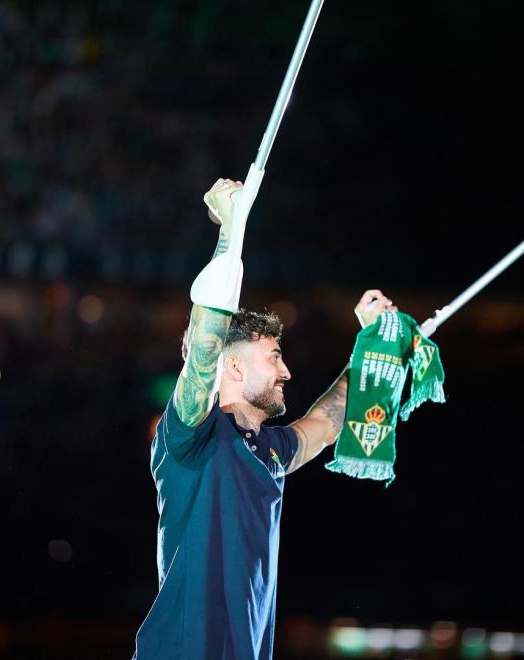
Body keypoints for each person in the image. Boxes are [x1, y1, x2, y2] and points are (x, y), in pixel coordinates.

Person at [133, 178, 396, 660]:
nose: (287, 371)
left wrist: (372, 347)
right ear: (232, 366)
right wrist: (230, 234)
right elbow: (205, 344)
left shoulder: (272, 451)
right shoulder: (190, 437)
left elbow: (330, 421)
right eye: (274, 357)